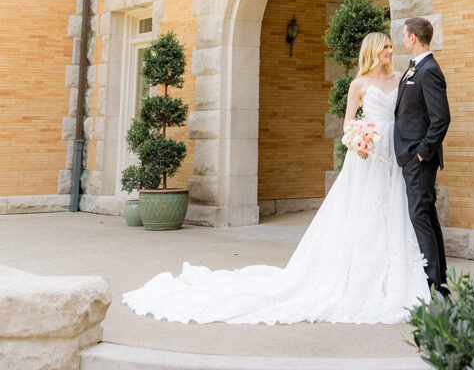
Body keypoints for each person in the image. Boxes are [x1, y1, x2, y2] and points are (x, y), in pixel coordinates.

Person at [122, 31, 430, 324]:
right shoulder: (358, 84)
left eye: (392, 46)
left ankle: (392, 273)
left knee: (393, 206)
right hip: (367, 154)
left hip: (394, 149)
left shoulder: (400, 79)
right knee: (363, 210)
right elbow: (349, 123)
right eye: (386, 47)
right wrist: (360, 138)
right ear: (373, 50)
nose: (391, 52)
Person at [394, 17, 451, 293]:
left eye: (404, 36)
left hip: (419, 159)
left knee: (420, 216)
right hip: (411, 156)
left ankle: (433, 283)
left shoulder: (429, 70)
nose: (402, 40)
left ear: (413, 38)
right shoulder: (414, 68)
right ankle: (439, 280)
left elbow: (441, 118)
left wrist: (422, 153)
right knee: (426, 214)